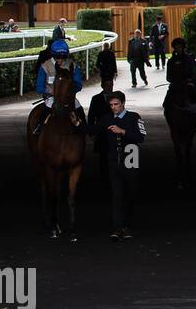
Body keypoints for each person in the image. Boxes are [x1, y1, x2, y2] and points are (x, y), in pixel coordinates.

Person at [92, 91, 146, 240]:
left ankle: (127, 225)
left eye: (116, 104)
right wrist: (77, 123)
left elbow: (141, 137)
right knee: (116, 195)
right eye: (111, 105)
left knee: (131, 193)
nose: (114, 108)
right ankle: (117, 228)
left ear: (123, 103)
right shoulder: (107, 118)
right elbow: (93, 130)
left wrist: (122, 131)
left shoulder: (134, 117)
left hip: (131, 157)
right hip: (114, 160)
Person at [31, 39, 85, 135]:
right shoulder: (45, 66)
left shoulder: (72, 65)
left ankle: (84, 127)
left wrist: (69, 91)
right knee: (49, 106)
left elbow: (78, 84)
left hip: (68, 96)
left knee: (78, 106)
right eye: (57, 57)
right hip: (51, 96)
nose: (60, 59)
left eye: (63, 57)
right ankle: (39, 127)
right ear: (52, 54)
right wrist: (53, 92)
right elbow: (39, 87)